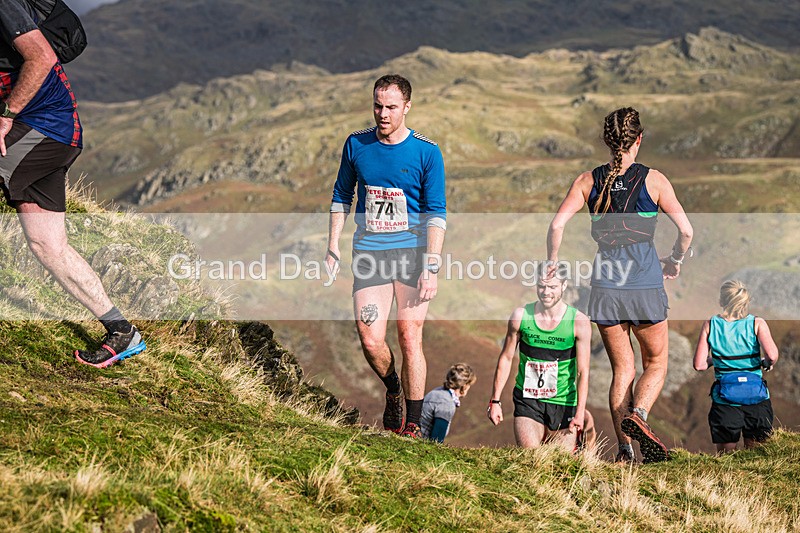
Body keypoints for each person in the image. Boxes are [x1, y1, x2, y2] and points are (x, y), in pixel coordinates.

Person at [0, 1, 145, 367]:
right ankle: (121, 331)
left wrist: (6, 117)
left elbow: (43, 58)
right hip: (51, 130)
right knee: (48, 244)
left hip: (41, 128)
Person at [546, 107, 693, 463]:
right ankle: (638, 416)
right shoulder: (654, 180)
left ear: (607, 142)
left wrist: (551, 263)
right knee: (656, 363)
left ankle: (626, 452)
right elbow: (686, 231)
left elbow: (556, 225)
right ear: (638, 140)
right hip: (644, 281)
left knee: (622, 370)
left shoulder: (587, 181)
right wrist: (674, 259)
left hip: (605, 286)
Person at [325, 74, 447, 438]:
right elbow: (341, 197)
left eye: (391, 107)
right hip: (370, 253)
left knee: (410, 335)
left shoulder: (427, 152)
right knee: (370, 338)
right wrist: (332, 244)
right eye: (378, 105)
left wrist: (432, 266)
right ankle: (393, 388)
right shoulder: (357, 144)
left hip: (411, 253)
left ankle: (413, 423)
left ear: (407, 107)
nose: (383, 113)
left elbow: (436, 213)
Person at [487, 266, 592, 452]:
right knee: (531, 456)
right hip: (528, 399)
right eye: (542, 286)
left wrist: (579, 411)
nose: (546, 292)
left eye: (552, 287)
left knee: (561, 464)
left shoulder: (579, 322)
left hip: (563, 401)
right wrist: (495, 401)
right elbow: (506, 357)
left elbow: (583, 372)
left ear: (564, 286)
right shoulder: (521, 316)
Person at [693, 280, 779, 454]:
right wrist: (766, 363)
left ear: (721, 301)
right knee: (756, 454)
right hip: (756, 398)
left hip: (725, 400)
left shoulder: (710, 324)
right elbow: (772, 355)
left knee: (726, 455)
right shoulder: (757, 323)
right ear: (745, 302)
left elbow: (699, 365)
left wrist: (714, 360)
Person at [419, 363, 476, 443]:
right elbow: (436, 440)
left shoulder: (437, 392)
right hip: (421, 442)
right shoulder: (446, 403)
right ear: (465, 386)